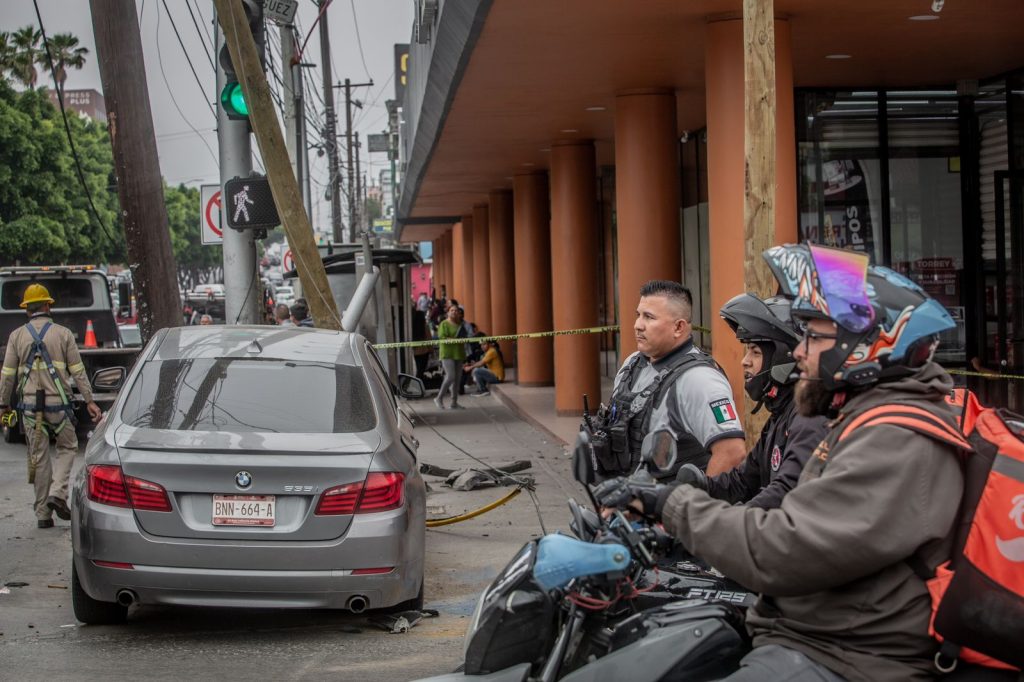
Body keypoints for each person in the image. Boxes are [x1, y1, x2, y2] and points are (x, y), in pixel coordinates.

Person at [606, 244, 966, 681]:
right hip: (816, 629)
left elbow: (783, 548)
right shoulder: (855, 420)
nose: (799, 351)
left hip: (850, 656)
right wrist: (667, 494)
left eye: (813, 336)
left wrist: (674, 509)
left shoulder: (895, 439)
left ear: (864, 347)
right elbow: (749, 480)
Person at [675, 294, 829, 509]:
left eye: (755, 352)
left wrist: (729, 520)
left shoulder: (808, 419)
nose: (744, 361)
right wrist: (690, 489)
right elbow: (743, 481)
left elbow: (785, 493)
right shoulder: (781, 415)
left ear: (783, 357)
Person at [597, 280, 746, 478]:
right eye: (638, 315)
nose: (637, 325)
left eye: (649, 317)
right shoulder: (632, 364)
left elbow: (732, 453)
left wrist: (694, 505)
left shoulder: (700, 380)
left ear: (678, 327)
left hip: (668, 505)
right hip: (623, 500)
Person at [0, 284, 103, 528]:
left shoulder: (17, 336)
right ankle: (58, 492)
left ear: (27, 310)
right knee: (68, 447)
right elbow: (78, 372)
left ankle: (43, 514)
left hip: (29, 410)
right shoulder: (63, 334)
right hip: (60, 407)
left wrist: (3, 404)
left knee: (38, 458)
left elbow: (7, 375)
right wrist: (89, 401)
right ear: (48, 306)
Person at [434, 304, 466, 410]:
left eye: (456, 311)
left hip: (459, 352)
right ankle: (439, 398)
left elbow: (465, 337)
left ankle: (454, 402)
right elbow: (442, 337)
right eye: (452, 310)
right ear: (448, 312)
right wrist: (453, 339)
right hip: (447, 353)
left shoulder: (461, 325)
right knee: (450, 376)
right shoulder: (444, 324)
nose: (454, 312)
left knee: (457, 379)